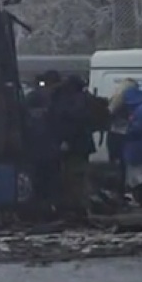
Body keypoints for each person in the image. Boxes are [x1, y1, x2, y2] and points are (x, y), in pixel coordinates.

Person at [51, 75, 96, 217]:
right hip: (83, 145)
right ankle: (82, 206)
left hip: (73, 146)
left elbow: (69, 122)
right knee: (81, 176)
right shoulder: (85, 99)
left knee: (72, 177)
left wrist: (65, 141)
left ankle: (76, 207)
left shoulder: (68, 101)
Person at [113, 79, 142, 207]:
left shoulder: (139, 111)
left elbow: (139, 128)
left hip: (138, 148)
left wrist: (125, 130)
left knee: (138, 177)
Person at [25, 71, 62, 203]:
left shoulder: (32, 97)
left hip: (36, 147)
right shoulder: (54, 100)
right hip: (50, 147)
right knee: (49, 180)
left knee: (38, 178)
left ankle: (38, 204)